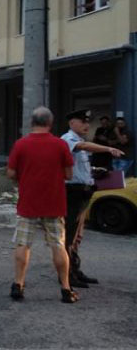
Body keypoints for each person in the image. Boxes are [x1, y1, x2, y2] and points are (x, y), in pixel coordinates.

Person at [6, 107, 77, 303]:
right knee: (58, 245)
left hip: (28, 203)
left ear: (32, 122)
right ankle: (65, 288)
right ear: (50, 123)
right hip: (54, 203)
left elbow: (11, 173)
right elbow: (69, 174)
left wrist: (25, 176)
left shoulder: (21, 144)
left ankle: (18, 284)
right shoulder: (60, 145)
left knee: (23, 244)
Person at [61, 109, 124, 288]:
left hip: (83, 192)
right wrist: (108, 148)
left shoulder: (79, 140)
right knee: (70, 236)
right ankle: (66, 275)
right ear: (72, 123)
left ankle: (75, 270)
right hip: (73, 193)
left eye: (88, 122)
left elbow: (80, 166)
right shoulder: (68, 139)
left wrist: (94, 171)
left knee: (77, 237)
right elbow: (84, 148)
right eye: (82, 121)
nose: (87, 125)